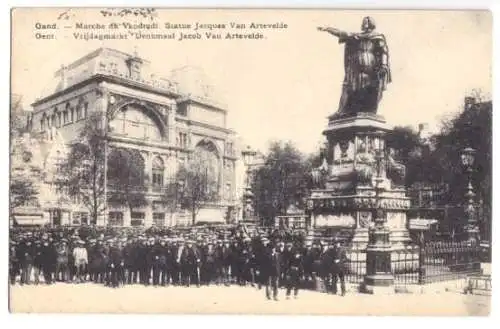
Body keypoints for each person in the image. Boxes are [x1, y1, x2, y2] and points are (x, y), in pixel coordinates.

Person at [318, 16, 391, 117]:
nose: (365, 24)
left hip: (371, 68)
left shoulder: (377, 37)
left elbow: (384, 52)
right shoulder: (355, 36)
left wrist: (384, 65)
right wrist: (328, 29)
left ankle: (367, 111)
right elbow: (340, 33)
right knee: (352, 88)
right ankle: (345, 111)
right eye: (364, 22)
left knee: (368, 88)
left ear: (371, 24)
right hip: (355, 69)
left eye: (367, 22)